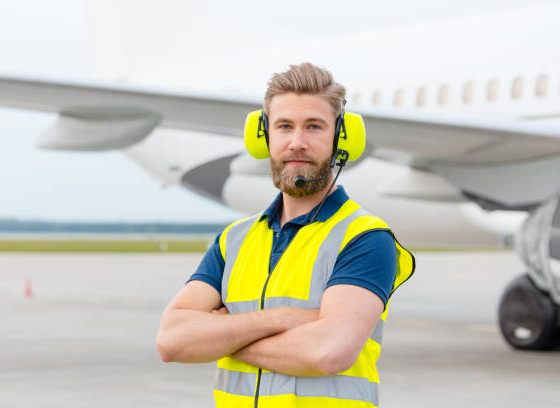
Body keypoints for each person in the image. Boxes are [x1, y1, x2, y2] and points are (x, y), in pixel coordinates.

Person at [156, 62, 415, 408]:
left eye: (314, 127)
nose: (297, 142)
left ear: (341, 137)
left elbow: (327, 352)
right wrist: (279, 319)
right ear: (264, 137)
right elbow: (172, 341)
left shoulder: (365, 238)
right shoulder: (234, 240)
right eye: (284, 126)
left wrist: (223, 337)